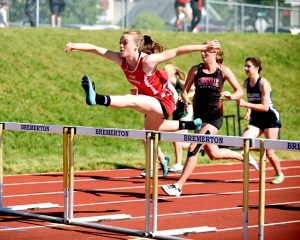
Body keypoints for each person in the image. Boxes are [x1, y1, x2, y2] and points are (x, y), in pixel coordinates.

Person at [64, 29, 220, 176]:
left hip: (164, 102)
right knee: (148, 134)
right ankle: (190, 126)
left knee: (131, 100)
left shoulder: (148, 61)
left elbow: (177, 51)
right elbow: (97, 49)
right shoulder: (121, 59)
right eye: (120, 42)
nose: (120, 46)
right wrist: (75, 45)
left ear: (136, 46)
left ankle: (97, 98)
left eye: (125, 42)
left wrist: (204, 46)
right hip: (151, 103)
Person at [161, 46, 259, 197]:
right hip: (200, 119)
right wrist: (186, 100)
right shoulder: (195, 69)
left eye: (206, 51)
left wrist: (230, 96)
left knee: (194, 146)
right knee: (214, 154)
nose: (202, 53)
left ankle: (178, 187)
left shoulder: (223, 71)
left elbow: (239, 91)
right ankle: (242, 156)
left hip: (214, 118)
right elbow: (185, 90)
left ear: (215, 53)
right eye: (202, 51)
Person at [238, 57, 284, 184]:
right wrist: (248, 111)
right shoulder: (247, 83)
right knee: (243, 142)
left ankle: (279, 173)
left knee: (270, 153)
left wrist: (247, 105)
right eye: (245, 66)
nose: (245, 68)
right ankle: (258, 150)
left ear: (257, 68)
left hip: (270, 119)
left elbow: (264, 107)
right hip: (257, 119)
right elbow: (251, 101)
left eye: (248, 66)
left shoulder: (264, 84)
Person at [163, 63, 195, 172]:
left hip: (186, 112)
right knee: (182, 143)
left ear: (171, 74)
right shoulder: (165, 85)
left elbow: (195, 90)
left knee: (176, 136)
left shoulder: (179, 83)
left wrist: (186, 98)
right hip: (176, 114)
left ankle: (178, 164)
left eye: (165, 72)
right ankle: (201, 144)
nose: (162, 73)